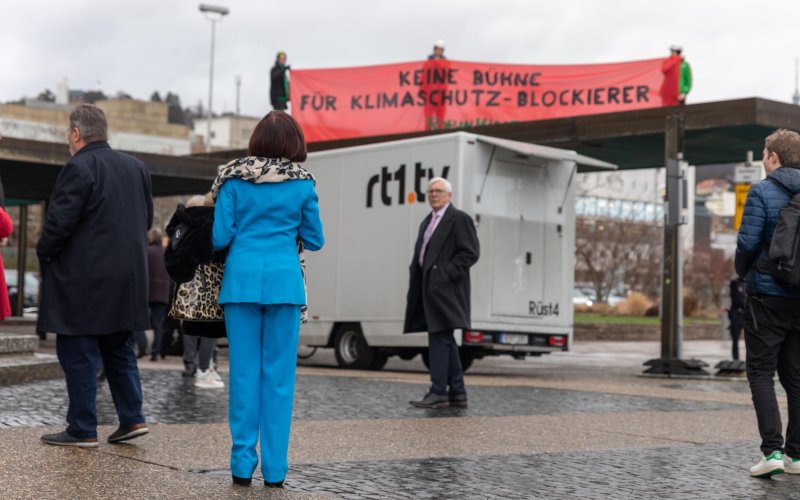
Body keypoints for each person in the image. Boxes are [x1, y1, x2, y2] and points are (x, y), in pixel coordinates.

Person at [211, 110, 323, 487]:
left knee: (243, 375)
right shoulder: (304, 184)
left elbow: (219, 237)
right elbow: (316, 239)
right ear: (295, 143)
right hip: (284, 285)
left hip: (241, 283)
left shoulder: (232, 179)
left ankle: (242, 464)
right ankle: (275, 469)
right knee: (279, 379)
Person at [38, 104, 152, 447]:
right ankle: (132, 419)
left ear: (76, 133)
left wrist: (45, 252)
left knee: (78, 352)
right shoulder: (137, 167)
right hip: (128, 280)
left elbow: (59, 224)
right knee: (119, 349)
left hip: (84, 282)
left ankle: (82, 427)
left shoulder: (79, 166)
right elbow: (145, 222)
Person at [735, 129, 800, 477]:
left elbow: (747, 243)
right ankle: (796, 456)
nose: (763, 158)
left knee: (761, 372)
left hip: (766, 295)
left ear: (773, 156)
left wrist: (742, 273)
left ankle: (771, 452)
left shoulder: (761, 190)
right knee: (796, 377)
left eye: (764, 152)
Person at [404, 177, 480, 409]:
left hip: (446, 290)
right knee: (445, 340)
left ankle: (438, 391)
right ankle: (457, 393)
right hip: (428, 289)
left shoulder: (459, 219)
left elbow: (470, 253)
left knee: (439, 340)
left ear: (449, 195)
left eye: (438, 191)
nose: (434, 195)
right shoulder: (428, 221)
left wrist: (443, 274)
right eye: (430, 191)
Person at [178, 194, 225, 389]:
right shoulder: (209, 224)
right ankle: (204, 369)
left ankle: (198, 366)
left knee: (191, 328)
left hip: (189, 283)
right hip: (208, 283)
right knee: (209, 330)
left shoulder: (185, 225)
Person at [146, 228, 170, 361]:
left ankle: (142, 347)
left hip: (148, 291)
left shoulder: (147, 251)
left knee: (139, 321)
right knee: (159, 324)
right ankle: (156, 351)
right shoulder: (166, 253)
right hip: (163, 292)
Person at [422, 40, 450, 130]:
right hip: (430, 94)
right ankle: (427, 135)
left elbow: (447, 74)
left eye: (441, 49)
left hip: (441, 94)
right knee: (428, 118)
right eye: (437, 49)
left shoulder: (446, 63)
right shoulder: (427, 63)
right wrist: (422, 91)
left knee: (440, 118)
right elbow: (423, 77)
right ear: (434, 49)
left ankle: (440, 134)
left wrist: (441, 62)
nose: (439, 51)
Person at [728, 276, 746, 361]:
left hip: (747, 314)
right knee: (735, 338)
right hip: (737, 314)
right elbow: (737, 299)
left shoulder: (748, 283)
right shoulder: (735, 283)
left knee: (752, 339)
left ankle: (750, 360)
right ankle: (736, 359)